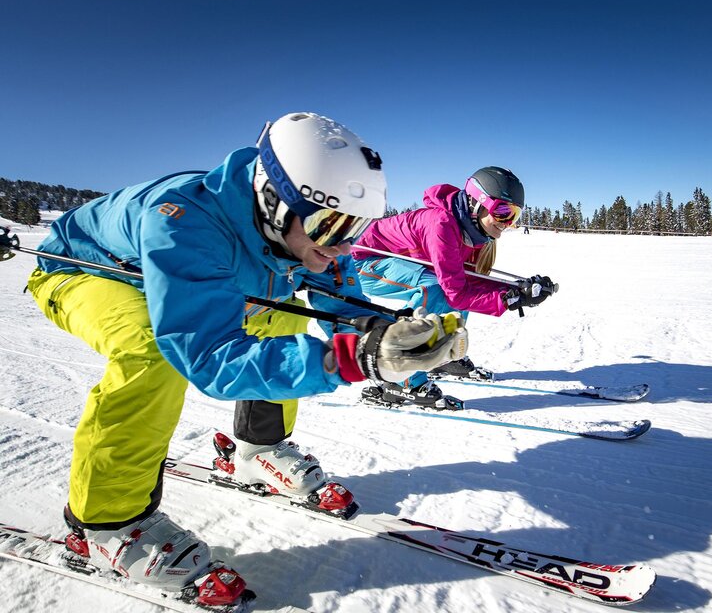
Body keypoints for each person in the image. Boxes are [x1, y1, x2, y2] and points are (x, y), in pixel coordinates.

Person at [24, 112, 468, 605]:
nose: (345, 245)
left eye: (357, 226)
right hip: (88, 274)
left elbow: (346, 312)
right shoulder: (184, 220)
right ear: (275, 203)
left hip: (206, 273)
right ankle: (105, 524)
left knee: (282, 317)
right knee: (151, 350)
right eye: (333, 225)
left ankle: (259, 449)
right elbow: (208, 355)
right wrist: (346, 361)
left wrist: (387, 338)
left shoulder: (314, 237)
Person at [351, 166, 554, 409]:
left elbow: (463, 282)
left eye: (514, 215)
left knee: (449, 289)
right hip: (361, 262)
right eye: (502, 211)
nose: (507, 223)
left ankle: (441, 354)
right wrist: (508, 300)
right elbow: (455, 292)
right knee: (435, 289)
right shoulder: (442, 223)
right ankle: (403, 378)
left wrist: (515, 290)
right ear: (477, 203)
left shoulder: (474, 232)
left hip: (394, 263)